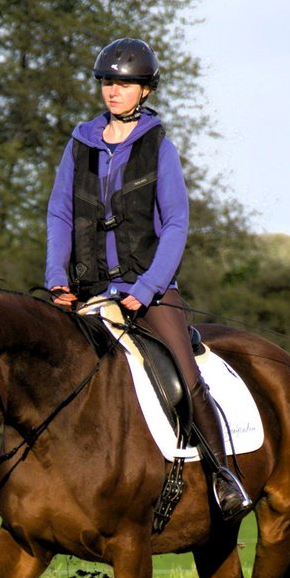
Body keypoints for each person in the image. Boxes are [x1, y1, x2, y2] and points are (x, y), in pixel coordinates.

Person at [45, 37, 252, 520]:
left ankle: (224, 477)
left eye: (123, 83)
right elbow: (59, 213)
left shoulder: (159, 147)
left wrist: (145, 291)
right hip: (86, 292)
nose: (112, 91)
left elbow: (176, 223)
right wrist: (57, 281)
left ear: (144, 90)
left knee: (186, 375)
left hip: (150, 292)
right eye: (106, 82)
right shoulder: (79, 144)